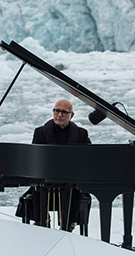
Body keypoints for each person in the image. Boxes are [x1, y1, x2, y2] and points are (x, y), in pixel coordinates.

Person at [16, 99, 91, 231]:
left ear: (71, 115)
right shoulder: (40, 132)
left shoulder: (81, 134)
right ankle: (42, 223)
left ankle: (68, 225)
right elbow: (35, 159)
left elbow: (88, 158)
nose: (59, 115)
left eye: (64, 112)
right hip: (46, 182)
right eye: (57, 111)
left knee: (77, 191)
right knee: (37, 189)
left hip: (70, 182)